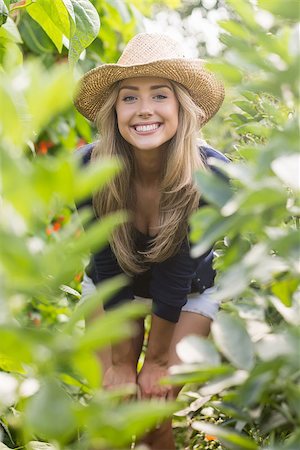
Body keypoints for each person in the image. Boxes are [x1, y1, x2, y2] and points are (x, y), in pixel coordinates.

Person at [74, 32, 228, 450]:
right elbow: (106, 264)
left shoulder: (211, 174)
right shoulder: (89, 167)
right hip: (112, 289)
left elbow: (178, 273)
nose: (144, 110)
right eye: (129, 97)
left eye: (160, 95)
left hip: (188, 294)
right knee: (116, 412)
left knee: (153, 419)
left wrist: (155, 362)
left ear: (181, 106)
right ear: (114, 109)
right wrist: (122, 363)